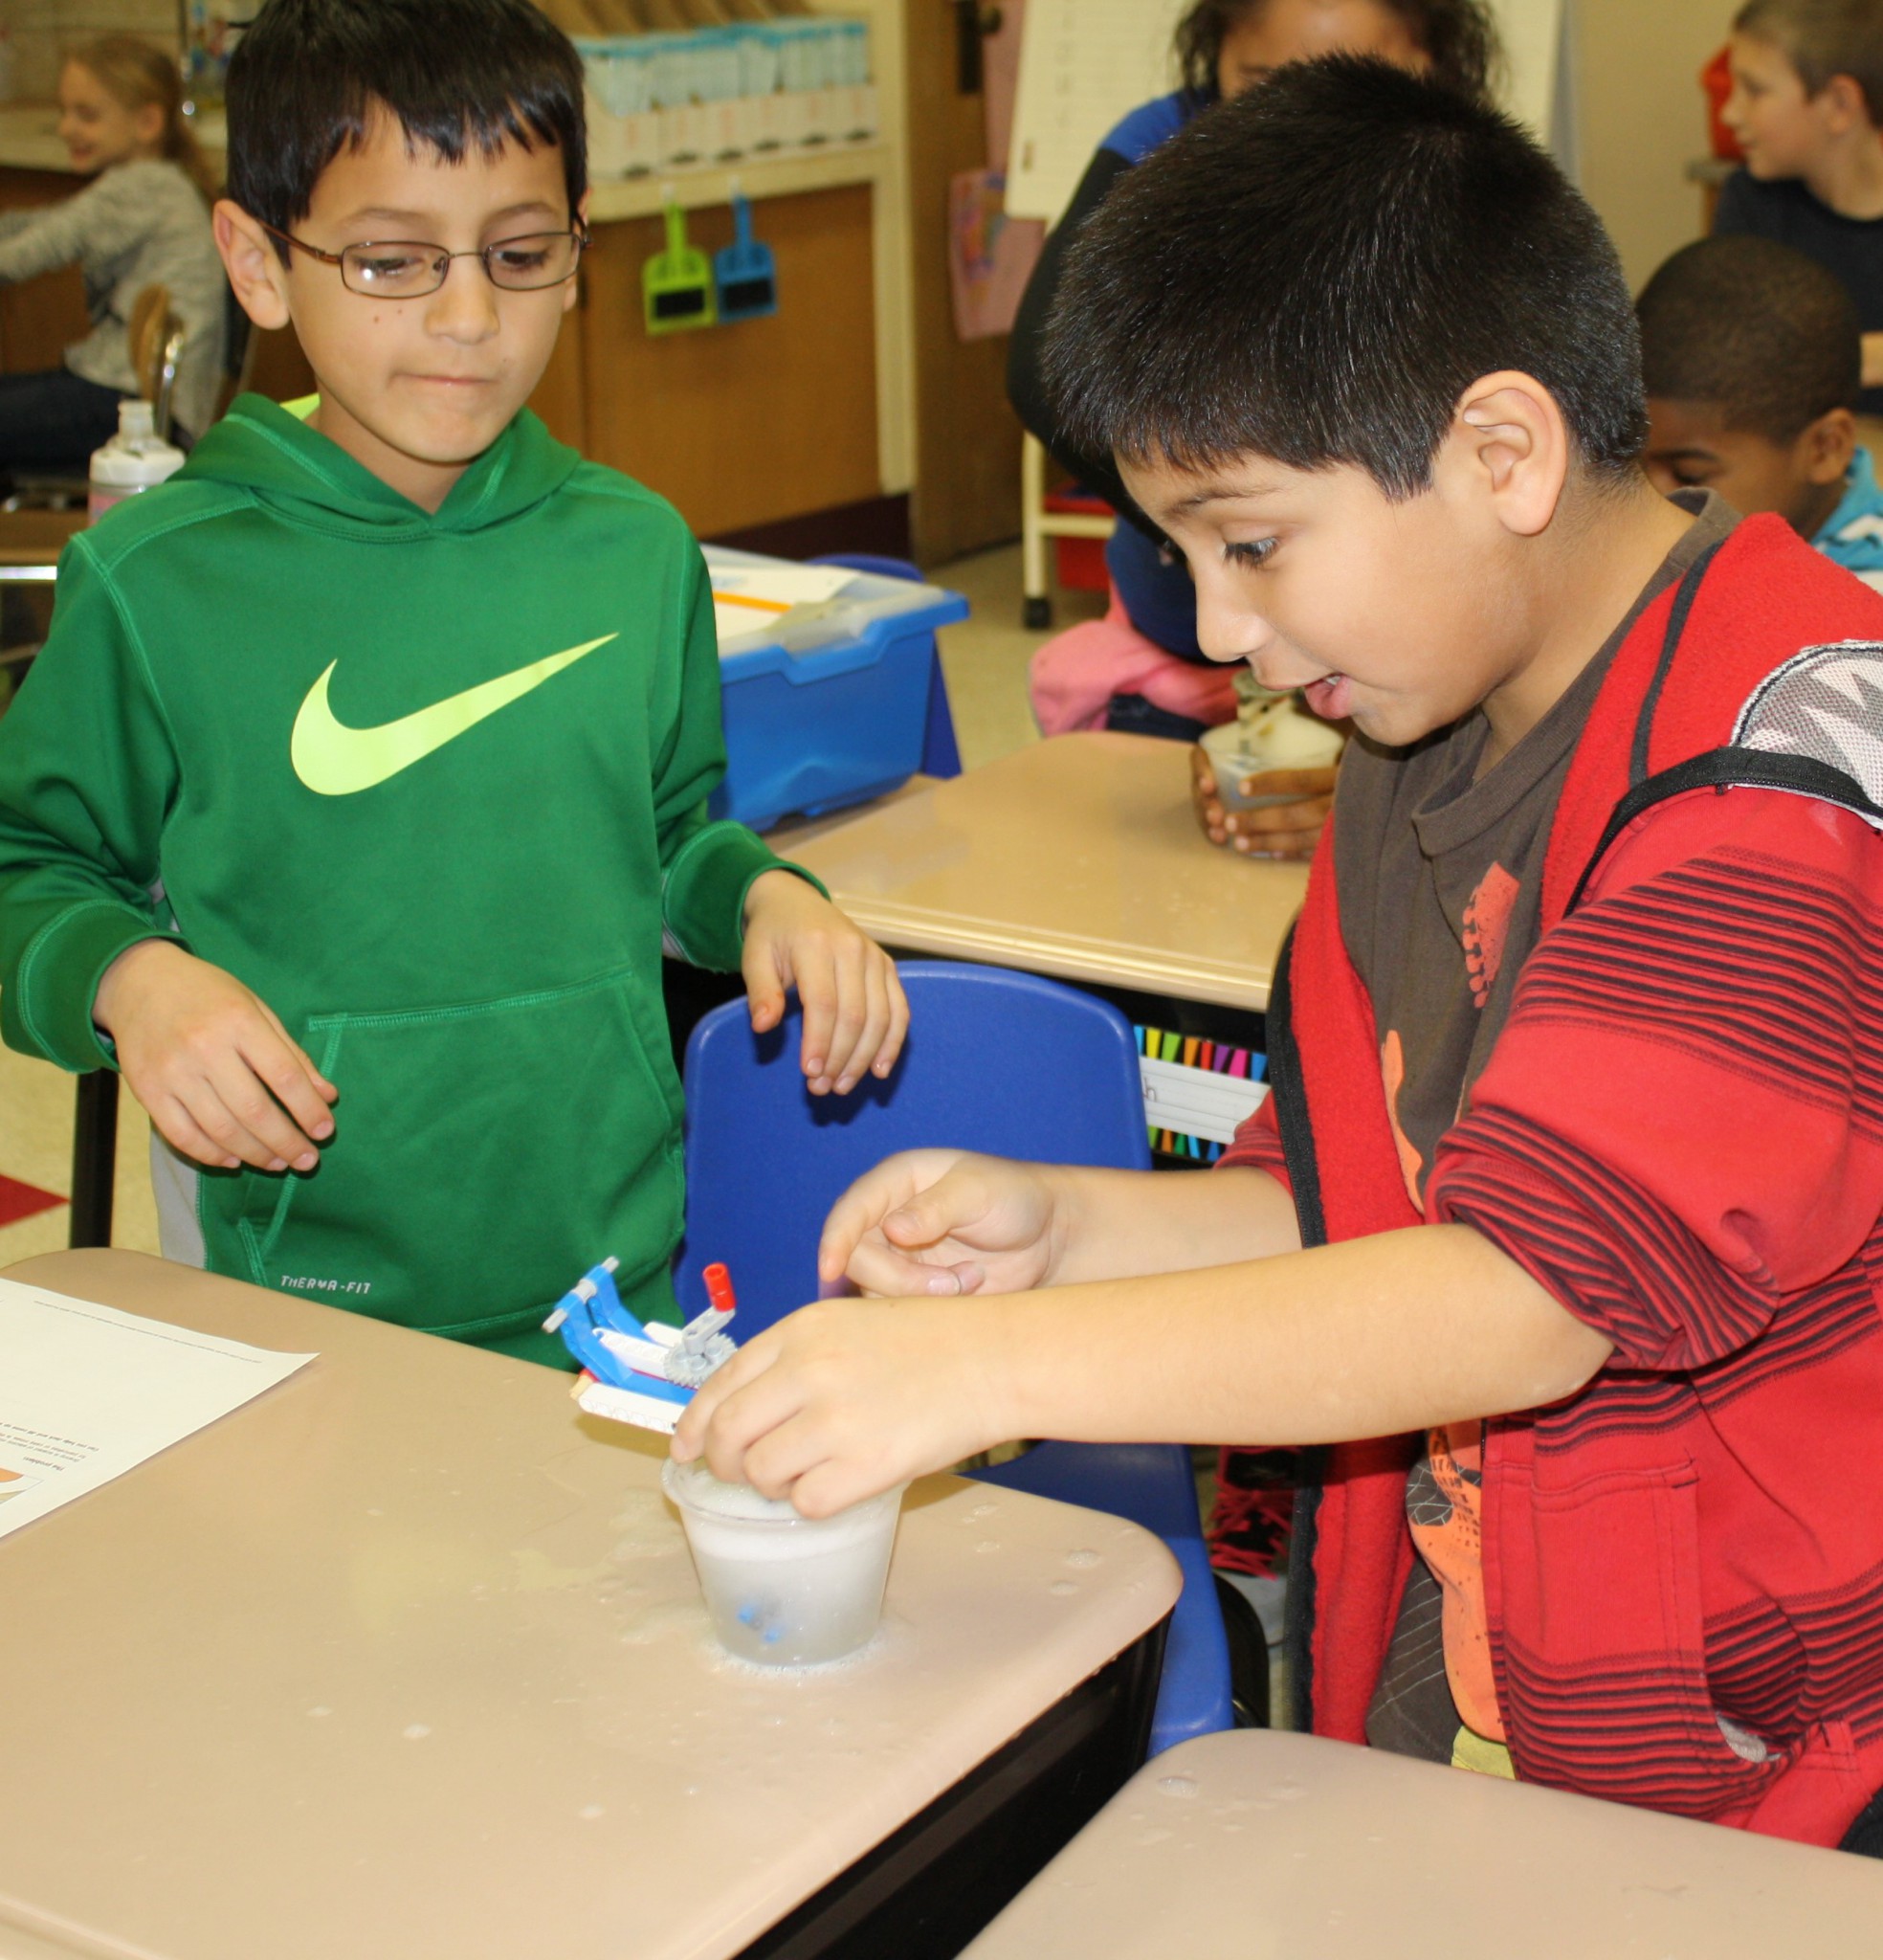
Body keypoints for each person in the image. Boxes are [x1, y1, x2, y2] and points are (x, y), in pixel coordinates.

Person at [675, 58, 1883, 1849]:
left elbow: (1526, 1296)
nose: (1224, 628)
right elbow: (1361, 1198)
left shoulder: (1777, 775)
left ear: (1501, 454)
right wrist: (1070, 1229)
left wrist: (983, 1372)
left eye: (1249, 542)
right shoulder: (1413, 727)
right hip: (1499, 1677)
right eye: (1184, 555)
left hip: (1772, 1776)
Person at [0, 0, 906, 1365]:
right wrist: (131, 977)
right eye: (391, 261)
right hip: (294, 1302)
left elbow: (667, 836)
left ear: (576, 252)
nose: (470, 316)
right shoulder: (155, 578)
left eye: (520, 255)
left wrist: (766, 896)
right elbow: (26, 867)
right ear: (256, 262)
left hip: (613, 1286)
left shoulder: (636, 548)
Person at [1009, 0, 1497, 865]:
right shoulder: (1158, 149)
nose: (1299, 122)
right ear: (1211, 66)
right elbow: (1041, 370)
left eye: (1351, 83)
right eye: (1260, 84)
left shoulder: (1466, 188)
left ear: (1434, 68)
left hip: (1399, 677)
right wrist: (1220, 534)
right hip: (1180, 661)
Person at [0, 37, 227, 470]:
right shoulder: (157, 181)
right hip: (135, 396)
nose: (66, 129)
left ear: (147, 122)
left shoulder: (142, 186)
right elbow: (38, 224)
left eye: (86, 115)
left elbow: (24, 255)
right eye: (65, 112)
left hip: (132, 405)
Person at [1638, 234, 1883, 585]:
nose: (1650, 500)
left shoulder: (1866, 598)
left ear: (1825, 448)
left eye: (1689, 475)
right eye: (1634, 465)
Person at [1715, 0, 1883, 414]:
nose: (1729, 113)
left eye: (1754, 90)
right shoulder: (1750, 201)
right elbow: (1739, 362)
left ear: (1840, 105)